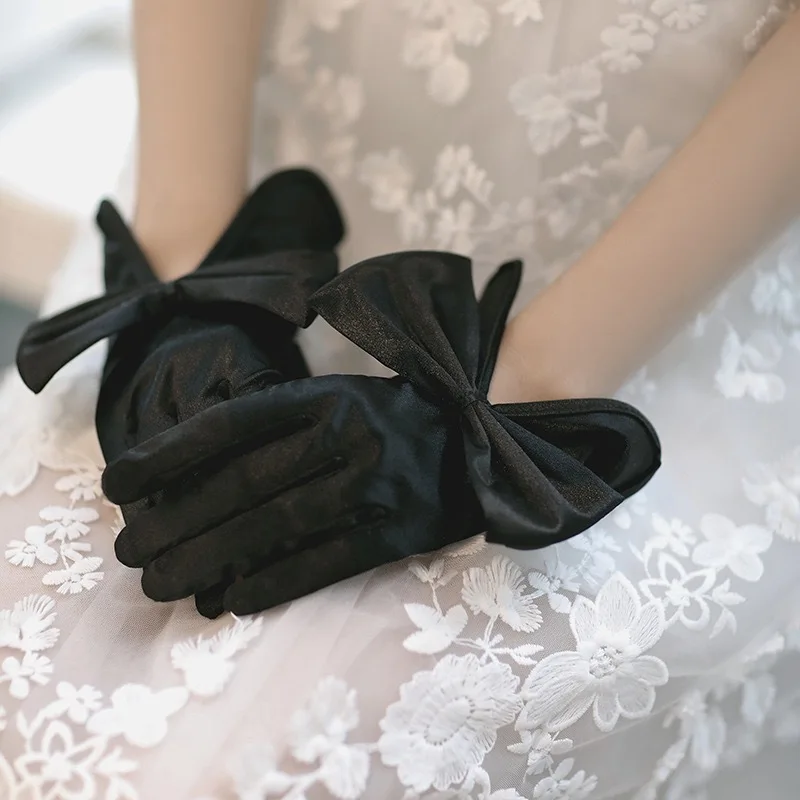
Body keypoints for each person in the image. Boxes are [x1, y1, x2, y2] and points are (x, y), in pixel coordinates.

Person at [1, 0, 799, 796]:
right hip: (237, 164)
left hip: (658, 310)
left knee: (275, 762)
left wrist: (491, 410)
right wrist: (192, 277)